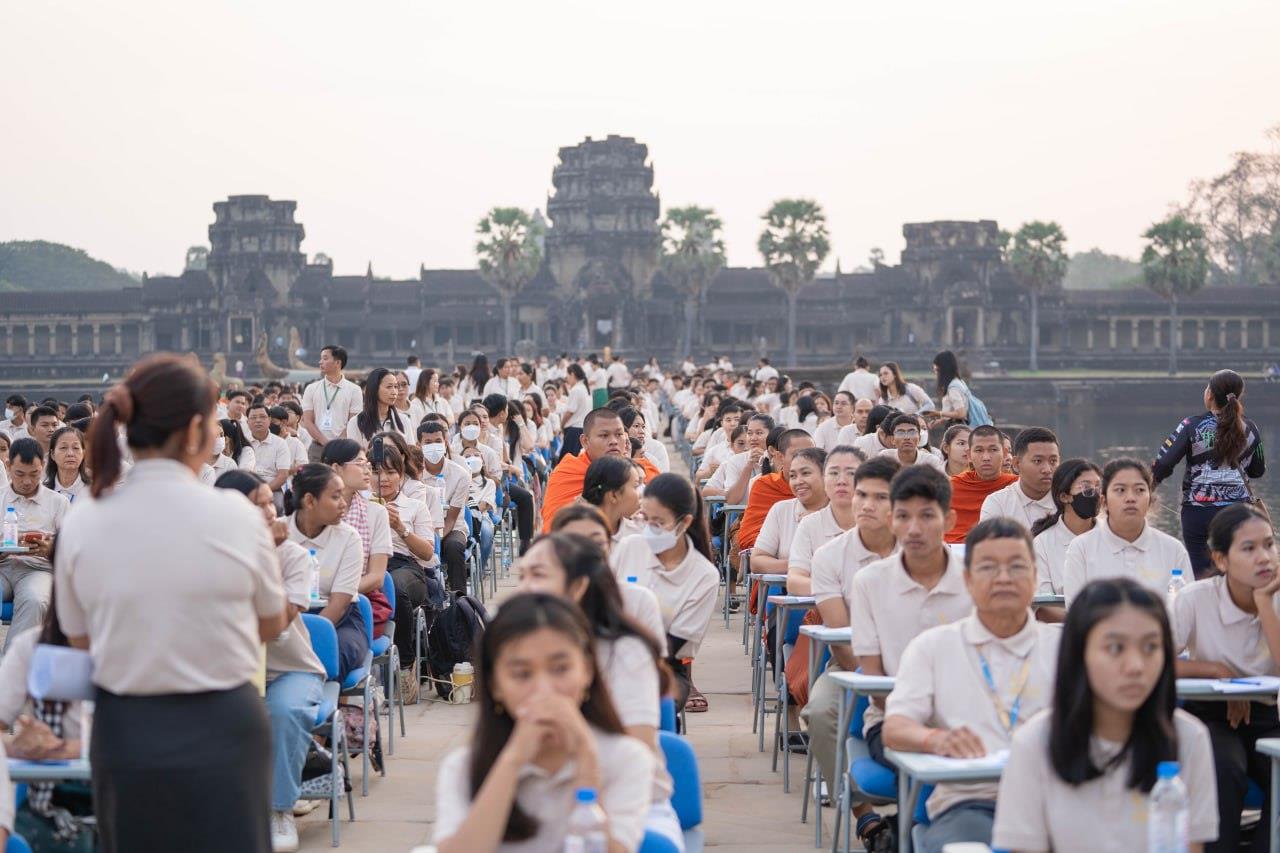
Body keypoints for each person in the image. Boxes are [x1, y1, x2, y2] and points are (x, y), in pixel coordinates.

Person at [54, 354, 288, 852]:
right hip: (224, 720)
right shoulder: (236, 516)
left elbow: (80, 639)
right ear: (197, 430)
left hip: (127, 727)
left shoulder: (83, 519)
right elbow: (271, 622)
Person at [992, 577, 1219, 852]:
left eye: (1150, 647)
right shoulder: (1034, 744)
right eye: (1115, 648)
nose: (1135, 666)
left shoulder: (1189, 738)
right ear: (1079, 653)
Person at [882, 518, 1060, 853]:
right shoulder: (933, 647)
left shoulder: (1067, 649)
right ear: (967, 579)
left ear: (1035, 576)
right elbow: (895, 728)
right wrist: (936, 739)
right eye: (989, 567)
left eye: (1017, 566)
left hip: (1057, 800)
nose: (1004, 578)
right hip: (972, 802)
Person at [432, 594, 654, 853]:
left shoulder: (625, 758)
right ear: (495, 685)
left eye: (560, 669)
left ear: (587, 671)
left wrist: (587, 757)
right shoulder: (465, 767)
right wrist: (512, 761)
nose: (543, 689)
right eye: (522, 674)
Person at [515, 534, 682, 849]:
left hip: (628, 801)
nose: (524, 588)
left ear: (578, 586)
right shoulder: (518, 650)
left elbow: (637, 753)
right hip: (541, 797)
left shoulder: (625, 652)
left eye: (537, 575)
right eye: (521, 576)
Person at [213, 470, 326, 852]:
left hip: (288, 669)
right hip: (230, 670)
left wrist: (263, 554)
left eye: (269, 502)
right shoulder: (209, 558)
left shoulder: (293, 556)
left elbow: (275, 622)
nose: (268, 511)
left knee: (284, 711)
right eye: (256, 504)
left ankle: (279, 809)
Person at [1173, 503, 1280, 852]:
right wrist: (1218, 673)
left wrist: (1265, 603)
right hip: (1211, 713)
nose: (1264, 557)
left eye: (1269, 544)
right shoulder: (1195, 598)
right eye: (1249, 549)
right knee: (1223, 768)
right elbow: (1152, 660)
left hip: (1268, 715)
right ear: (1221, 560)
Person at [802, 457, 901, 818]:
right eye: (862, 495)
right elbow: (842, 640)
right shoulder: (829, 557)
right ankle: (864, 815)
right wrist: (879, 685)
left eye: (880, 497)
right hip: (850, 665)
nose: (866, 505)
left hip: (916, 663)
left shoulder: (917, 550)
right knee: (820, 712)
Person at [610, 474, 718, 712]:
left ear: (685, 522)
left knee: (638, 700)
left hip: (665, 665)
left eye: (658, 523)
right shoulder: (630, 547)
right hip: (610, 649)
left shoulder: (703, 576)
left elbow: (674, 645)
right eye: (645, 519)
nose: (649, 529)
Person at [1153, 368, 1267, 578]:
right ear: (1238, 396)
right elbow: (1257, 470)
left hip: (1198, 510)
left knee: (1200, 570)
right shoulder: (1251, 429)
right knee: (1237, 569)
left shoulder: (1191, 426)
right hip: (1238, 510)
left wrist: (1148, 486)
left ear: (1210, 395)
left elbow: (1164, 463)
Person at [1063, 458, 1191, 608]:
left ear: (1150, 499)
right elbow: (1076, 612)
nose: (1131, 498)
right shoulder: (1081, 548)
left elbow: (1186, 611)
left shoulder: (1173, 550)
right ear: (1104, 501)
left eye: (1140, 490)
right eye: (1120, 490)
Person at [285, 462, 369, 682]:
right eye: (335, 497)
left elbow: (338, 605)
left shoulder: (349, 538)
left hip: (340, 621)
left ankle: (323, 702)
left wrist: (305, 639)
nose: (343, 504)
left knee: (328, 658)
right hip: (286, 620)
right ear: (309, 501)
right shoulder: (279, 533)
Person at [548, 505, 666, 652]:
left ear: (609, 545)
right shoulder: (541, 606)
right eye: (573, 543)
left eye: (597, 542)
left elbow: (655, 659)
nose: (587, 551)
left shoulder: (639, 600)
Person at [373, 442, 438, 702]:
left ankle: (405, 666)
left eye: (390, 472)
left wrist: (400, 527)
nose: (384, 479)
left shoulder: (414, 506)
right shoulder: (361, 505)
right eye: (377, 471)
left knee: (394, 587)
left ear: (401, 475)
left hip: (405, 566)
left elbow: (427, 553)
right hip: (369, 564)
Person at [2, 438, 68, 652]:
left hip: (38, 569)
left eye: (34, 474)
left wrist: (51, 549)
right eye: (20, 474)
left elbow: (71, 546)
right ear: (8, 466)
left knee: (36, 600)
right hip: (2, 566)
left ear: (43, 467)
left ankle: (12, 663)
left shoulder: (57, 502)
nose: (27, 481)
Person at [321, 439, 392, 639]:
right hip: (313, 594)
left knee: (335, 639)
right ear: (336, 468)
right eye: (360, 464)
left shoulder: (376, 512)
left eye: (368, 465)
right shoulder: (314, 510)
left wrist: (337, 593)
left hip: (359, 598)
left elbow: (376, 577)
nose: (368, 470)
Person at [787, 446, 864, 596]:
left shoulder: (882, 522)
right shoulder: (810, 525)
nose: (841, 481)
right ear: (824, 479)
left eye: (851, 473)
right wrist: (841, 592)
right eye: (834, 473)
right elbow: (795, 581)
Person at [541, 408, 630, 534]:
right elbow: (554, 529)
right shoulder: (568, 473)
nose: (614, 442)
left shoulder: (635, 473)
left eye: (619, 434)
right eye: (604, 435)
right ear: (585, 441)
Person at [1030, 459, 1102, 599]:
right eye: (1086, 486)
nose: (1094, 493)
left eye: (1098, 486)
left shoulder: (1114, 535)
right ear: (1064, 497)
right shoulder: (1042, 544)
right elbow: (1043, 604)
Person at [417, 420, 473, 594]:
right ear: (419, 445)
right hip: (420, 527)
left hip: (451, 527)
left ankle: (460, 599)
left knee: (454, 548)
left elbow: (452, 517)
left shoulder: (460, 475)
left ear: (445, 442)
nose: (433, 446)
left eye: (438, 441)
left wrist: (435, 539)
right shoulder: (414, 473)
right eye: (428, 442)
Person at [947, 425, 1017, 544]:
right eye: (979, 450)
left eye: (993, 450)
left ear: (1005, 453)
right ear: (969, 455)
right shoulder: (951, 486)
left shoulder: (1017, 486)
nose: (986, 458)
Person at [979, 426, 1060, 528]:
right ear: (1016, 464)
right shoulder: (998, 503)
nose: (1047, 469)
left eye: (1053, 461)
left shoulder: (1068, 502)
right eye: (1037, 461)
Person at [300, 345, 363, 463]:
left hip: (343, 448)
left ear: (337, 362)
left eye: (325, 358)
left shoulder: (354, 390)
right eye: (321, 358)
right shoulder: (311, 388)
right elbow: (307, 420)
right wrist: (326, 443)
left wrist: (337, 445)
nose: (320, 362)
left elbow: (353, 421)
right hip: (317, 447)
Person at [581, 455, 644, 542]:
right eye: (635, 486)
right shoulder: (576, 536)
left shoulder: (639, 533)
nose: (641, 494)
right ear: (614, 495)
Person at [348, 366, 411, 448]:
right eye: (389, 387)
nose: (394, 392)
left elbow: (411, 452)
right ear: (374, 389)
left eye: (395, 387)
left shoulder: (404, 420)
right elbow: (355, 454)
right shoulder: (356, 422)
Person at [246, 402, 291, 509]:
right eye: (253, 417)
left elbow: (283, 475)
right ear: (247, 421)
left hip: (272, 488)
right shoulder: (243, 441)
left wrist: (263, 491)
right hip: (246, 488)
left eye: (262, 417)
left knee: (277, 507)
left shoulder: (280, 443)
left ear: (269, 420)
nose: (258, 420)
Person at [880, 412, 946, 472]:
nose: (907, 437)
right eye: (900, 433)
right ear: (893, 439)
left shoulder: (932, 462)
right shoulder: (885, 457)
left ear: (919, 438)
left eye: (912, 432)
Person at [43, 426, 91, 505]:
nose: (70, 453)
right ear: (52, 454)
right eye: (63, 447)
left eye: (76, 448)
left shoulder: (93, 490)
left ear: (83, 453)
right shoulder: (43, 490)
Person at [558, 363, 592, 461]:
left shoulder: (576, 390)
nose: (567, 379)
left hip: (574, 430)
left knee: (568, 461)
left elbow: (569, 412)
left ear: (572, 374)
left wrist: (561, 425)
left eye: (567, 375)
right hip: (582, 428)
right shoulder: (583, 388)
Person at [929, 350, 972, 425]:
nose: (935, 372)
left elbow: (961, 413)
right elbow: (953, 410)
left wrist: (939, 413)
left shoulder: (953, 388)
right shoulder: (959, 382)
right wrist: (940, 420)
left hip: (957, 427)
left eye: (936, 369)